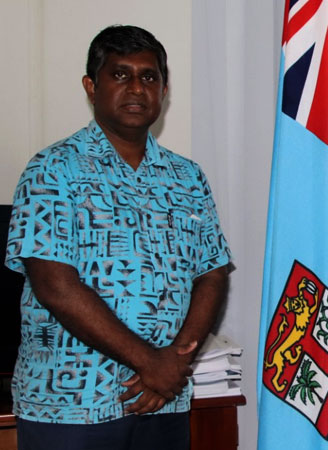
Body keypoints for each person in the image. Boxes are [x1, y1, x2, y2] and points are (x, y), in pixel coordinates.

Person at [5, 25, 231, 450]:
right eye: (120, 74)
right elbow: (55, 286)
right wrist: (151, 363)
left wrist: (172, 365)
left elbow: (212, 273)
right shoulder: (52, 170)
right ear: (91, 87)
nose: (137, 87)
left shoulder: (188, 177)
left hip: (163, 401)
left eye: (149, 77)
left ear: (164, 91)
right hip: (72, 409)